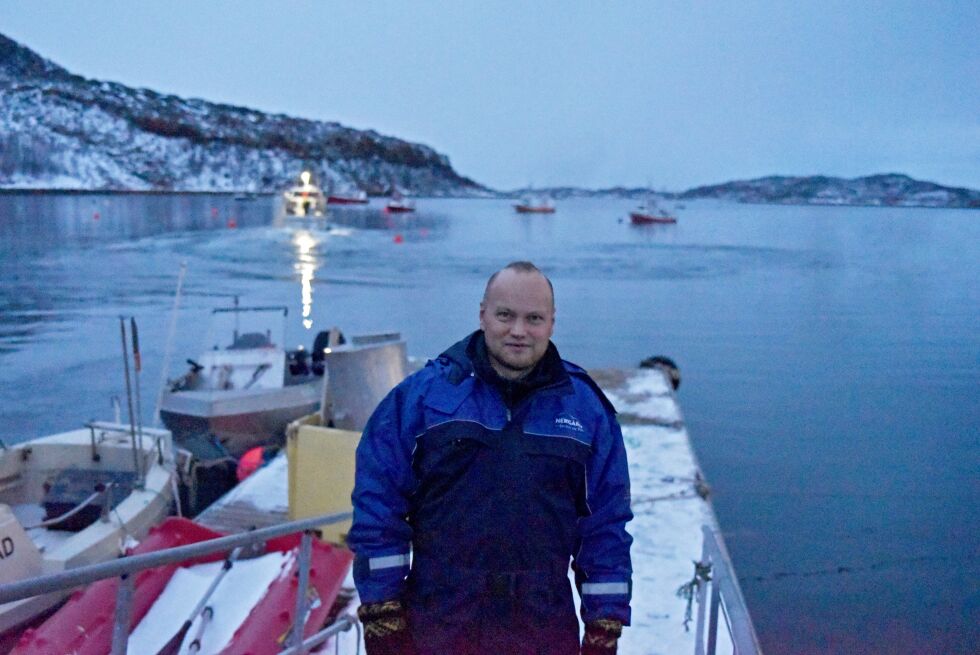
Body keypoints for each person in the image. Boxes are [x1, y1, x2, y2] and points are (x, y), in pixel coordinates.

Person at [349, 261, 633, 654]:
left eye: (534, 318)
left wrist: (605, 623)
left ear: (551, 323)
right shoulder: (422, 400)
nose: (519, 331)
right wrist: (382, 611)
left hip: (542, 625)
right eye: (505, 315)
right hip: (438, 622)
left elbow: (605, 525)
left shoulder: (586, 411)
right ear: (483, 315)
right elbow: (378, 507)